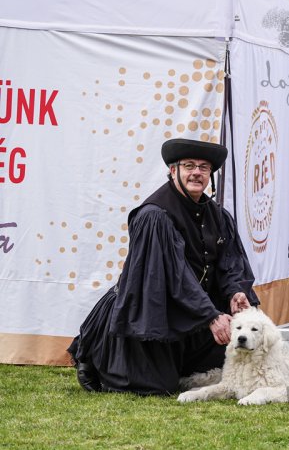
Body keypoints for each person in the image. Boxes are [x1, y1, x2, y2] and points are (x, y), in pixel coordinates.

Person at [68, 138, 258, 395]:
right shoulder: (155, 216)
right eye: (189, 166)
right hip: (152, 308)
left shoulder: (218, 215)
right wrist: (211, 317)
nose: (197, 173)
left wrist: (235, 291)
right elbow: (173, 275)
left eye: (203, 167)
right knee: (157, 387)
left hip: (192, 309)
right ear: (173, 170)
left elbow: (231, 262)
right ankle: (97, 359)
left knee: (222, 360)